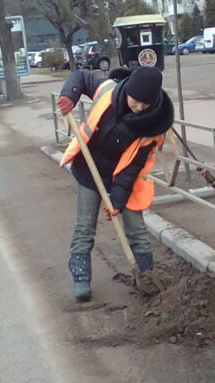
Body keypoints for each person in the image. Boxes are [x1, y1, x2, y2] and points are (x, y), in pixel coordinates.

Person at [57, 66, 174, 302]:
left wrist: (117, 202)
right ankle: (81, 277)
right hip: (89, 169)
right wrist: (69, 94)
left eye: (145, 104)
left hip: (123, 176)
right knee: (85, 225)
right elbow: (81, 77)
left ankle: (146, 275)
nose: (139, 108)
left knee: (136, 228)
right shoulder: (107, 91)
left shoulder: (152, 127)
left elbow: (131, 169)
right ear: (127, 90)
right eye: (136, 101)